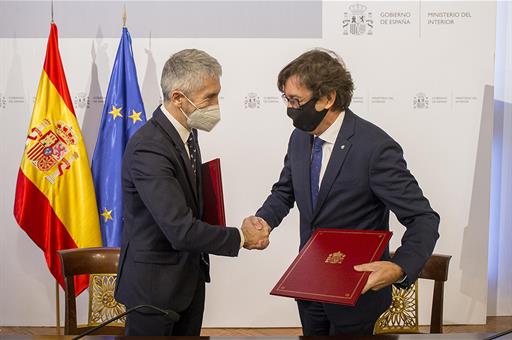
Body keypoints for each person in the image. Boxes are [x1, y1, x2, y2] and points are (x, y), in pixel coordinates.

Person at [254, 49, 440, 336]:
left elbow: (423, 218)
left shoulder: (375, 148)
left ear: (328, 98)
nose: (289, 109)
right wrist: (263, 220)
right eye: (286, 99)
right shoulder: (299, 137)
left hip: (356, 296)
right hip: (309, 287)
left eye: (296, 101)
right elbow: (285, 191)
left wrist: (400, 267)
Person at [114, 49, 269, 336]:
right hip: (154, 292)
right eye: (208, 98)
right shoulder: (149, 148)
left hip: (188, 282)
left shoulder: (189, 133)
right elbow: (180, 230)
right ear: (177, 99)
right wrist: (241, 237)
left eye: (217, 95)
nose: (216, 105)